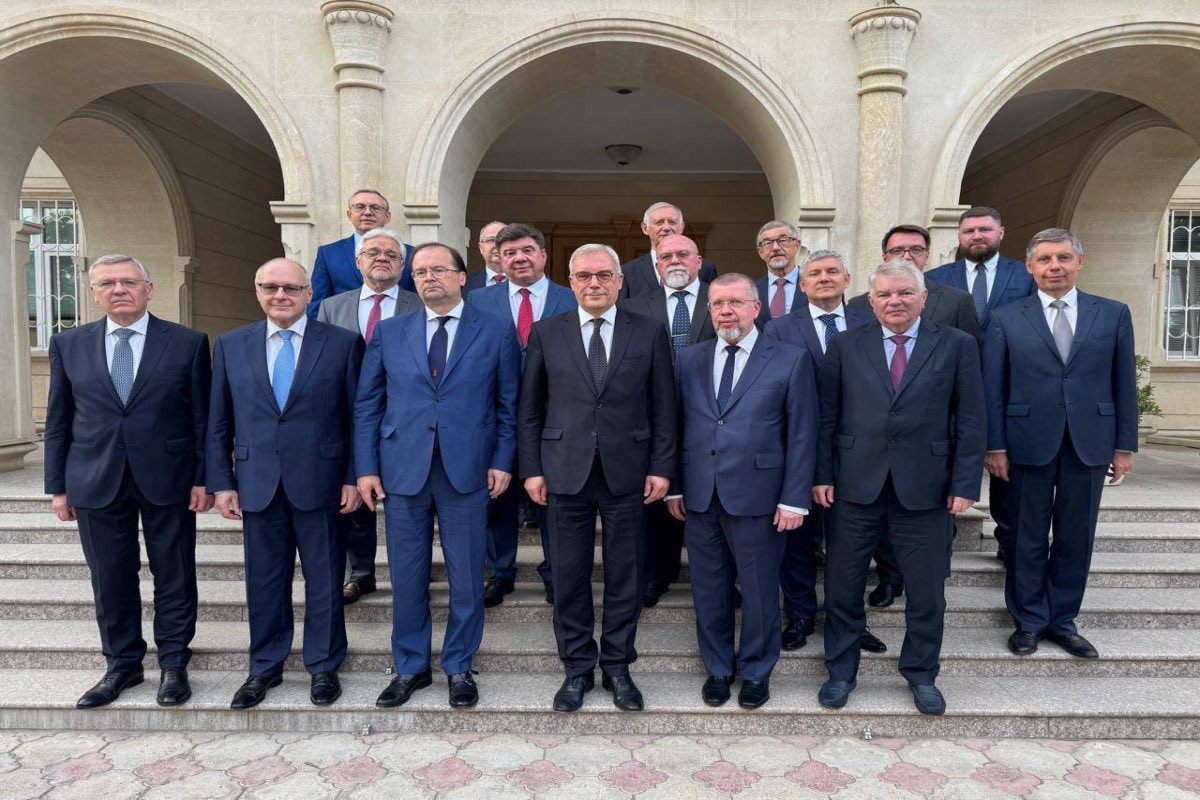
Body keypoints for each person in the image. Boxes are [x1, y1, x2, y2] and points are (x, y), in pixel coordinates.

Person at [814, 260, 985, 716]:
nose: (895, 301)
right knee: (843, 587)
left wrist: (965, 482)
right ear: (870, 301)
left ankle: (921, 674)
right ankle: (841, 672)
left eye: (905, 293)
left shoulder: (957, 345)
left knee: (927, 592)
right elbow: (827, 416)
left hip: (926, 488)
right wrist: (822, 474)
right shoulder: (845, 344)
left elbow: (971, 418)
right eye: (885, 294)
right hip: (853, 486)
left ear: (923, 297)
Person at [355, 242, 521, 709]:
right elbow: (368, 404)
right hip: (402, 470)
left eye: (439, 270)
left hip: (467, 470)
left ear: (462, 277)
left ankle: (459, 666)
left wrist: (503, 460)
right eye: (421, 272)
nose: (429, 278)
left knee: (467, 576)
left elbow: (509, 405)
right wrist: (366, 467)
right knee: (407, 576)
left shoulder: (496, 329)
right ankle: (410, 666)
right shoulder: (391, 331)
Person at [44, 254, 212, 709]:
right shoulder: (68, 344)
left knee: (174, 574)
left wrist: (204, 478)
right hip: (94, 478)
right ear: (93, 292)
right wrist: (58, 486)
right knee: (110, 577)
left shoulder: (188, 343)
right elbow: (58, 420)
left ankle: (174, 663)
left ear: (148, 289)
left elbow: (202, 419)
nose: (119, 290)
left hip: (169, 477)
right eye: (108, 283)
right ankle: (122, 665)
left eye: (129, 282)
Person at [519, 243, 677, 713]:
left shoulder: (648, 331)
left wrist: (662, 467)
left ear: (619, 281)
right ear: (570, 281)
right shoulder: (547, 332)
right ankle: (576, 668)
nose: (595, 283)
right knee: (569, 576)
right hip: (563, 471)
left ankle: (617, 666)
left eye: (604, 275)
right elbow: (530, 409)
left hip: (629, 472)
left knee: (626, 575)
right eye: (585, 276)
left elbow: (664, 407)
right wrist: (532, 469)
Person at [208, 258, 364, 709]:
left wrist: (353, 477)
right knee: (264, 582)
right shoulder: (232, 345)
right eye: (271, 287)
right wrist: (222, 482)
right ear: (257, 291)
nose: (281, 295)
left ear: (309, 294)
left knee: (325, 579)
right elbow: (218, 420)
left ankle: (324, 665)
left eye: (291, 288)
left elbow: (358, 417)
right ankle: (264, 667)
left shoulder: (343, 343)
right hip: (256, 482)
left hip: (323, 481)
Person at [983, 228, 1136, 660]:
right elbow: (993, 388)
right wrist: (994, 446)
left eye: (1063, 258)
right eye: (1045, 259)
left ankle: (1063, 621)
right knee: (1026, 535)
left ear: (1079, 262)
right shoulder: (1006, 317)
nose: (1055, 267)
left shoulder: (1112, 314)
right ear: (1029, 267)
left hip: (1089, 442)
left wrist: (1124, 446)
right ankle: (1029, 620)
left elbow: (1124, 383)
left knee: (1076, 535)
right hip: (1026, 442)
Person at [667, 273, 817, 709]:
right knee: (708, 589)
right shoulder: (689, 359)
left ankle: (755, 670)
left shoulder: (790, 359)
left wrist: (794, 499)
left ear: (756, 307)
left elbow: (802, 434)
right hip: (700, 496)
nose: (726, 311)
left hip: (760, 497)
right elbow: (674, 427)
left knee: (759, 590)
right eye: (718, 304)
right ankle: (717, 668)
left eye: (735, 302)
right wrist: (674, 487)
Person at [848, 224, 981, 610]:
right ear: (884, 256)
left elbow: (970, 394)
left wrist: (964, 471)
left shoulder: (956, 301)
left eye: (915, 249)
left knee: (930, 542)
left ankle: (927, 583)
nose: (907, 256)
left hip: (931, 450)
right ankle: (889, 578)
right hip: (872, 451)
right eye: (897, 250)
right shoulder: (858, 305)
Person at [763, 250, 873, 652]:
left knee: (851, 544)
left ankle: (849, 621)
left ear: (847, 280)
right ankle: (800, 616)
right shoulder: (778, 328)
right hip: (798, 448)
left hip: (857, 451)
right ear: (802, 284)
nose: (824, 278)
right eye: (815, 273)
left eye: (832, 271)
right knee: (797, 542)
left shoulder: (870, 322)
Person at [467, 223, 576, 607]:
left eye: (527, 250)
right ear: (498, 258)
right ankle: (500, 572)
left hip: (555, 418)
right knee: (498, 498)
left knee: (553, 500)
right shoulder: (477, 300)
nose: (519, 258)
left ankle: (555, 573)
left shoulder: (570, 298)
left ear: (543, 254)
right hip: (497, 416)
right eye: (510, 253)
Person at [926, 206, 1037, 564]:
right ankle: (944, 534)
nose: (977, 236)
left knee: (1006, 466)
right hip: (951, 389)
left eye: (984, 230)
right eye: (969, 231)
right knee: (950, 461)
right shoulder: (935, 279)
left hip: (1009, 385)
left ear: (1000, 233)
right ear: (959, 237)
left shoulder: (1025, 276)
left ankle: (1008, 537)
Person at [317, 227, 422, 604]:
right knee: (354, 493)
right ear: (358, 261)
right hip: (346, 413)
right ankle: (360, 572)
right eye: (373, 252)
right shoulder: (332, 307)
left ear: (403, 266)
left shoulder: (419, 304)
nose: (382, 259)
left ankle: (413, 574)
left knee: (409, 495)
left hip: (404, 413)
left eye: (392, 255)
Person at [621, 233, 715, 608]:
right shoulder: (633, 306)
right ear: (657, 264)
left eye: (682, 254)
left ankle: (721, 579)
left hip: (711, 415)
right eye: (666, 256)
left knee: (713, 496)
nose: (674, 260)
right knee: (656, 497)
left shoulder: (721, 298)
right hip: (651, 415)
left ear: (698, 261)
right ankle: (657, 574)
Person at [308, 189, 414, 315]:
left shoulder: (411, 253)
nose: (367, 212)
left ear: (387, 216)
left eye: (375, 207)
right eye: (360, 207)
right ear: (349, 214)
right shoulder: (328, 254)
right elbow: (317, 307)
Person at [619, 202, 718, 298]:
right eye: (659, 222)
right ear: (645, 228)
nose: (666, 228)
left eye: (672, 222)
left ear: (681, 227)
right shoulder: (628, 271)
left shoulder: (705, 268)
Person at [754, 220, 807, 326]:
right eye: (768, 243)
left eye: (782, 240)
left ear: (797, 246)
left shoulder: (814, 284)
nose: (775, 248)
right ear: (761, 252)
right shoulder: (752, 290)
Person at [464, 221, 507, 295]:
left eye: (503, 240)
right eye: (491, 240)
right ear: (481, 247)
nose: (497, 245)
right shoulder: (464, 283)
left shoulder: (525, 281)